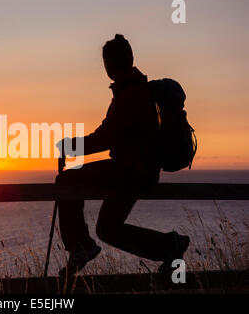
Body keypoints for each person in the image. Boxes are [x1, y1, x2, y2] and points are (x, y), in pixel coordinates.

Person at [55, 34, 189, 276]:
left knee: (66, 180)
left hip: (129, 171)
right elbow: (110, 135)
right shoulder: (135, 90)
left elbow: (105, 138)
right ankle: (169, 246)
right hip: (139, 171)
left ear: (110, 63)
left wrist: (69, 147)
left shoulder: (131, 95)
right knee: (107, 229)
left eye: (106, 62)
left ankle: (80, 246)